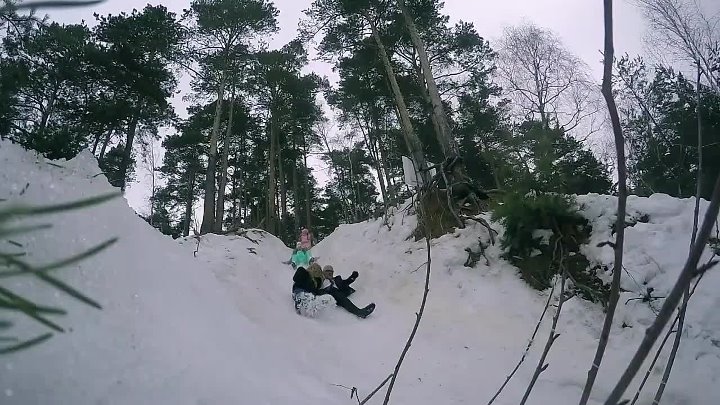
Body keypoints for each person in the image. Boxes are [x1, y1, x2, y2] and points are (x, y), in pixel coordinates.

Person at [292, 263, 375, 318]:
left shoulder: (337, 279)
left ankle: (360, 312)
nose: (330, 273)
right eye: (327, 271)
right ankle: (305, 304)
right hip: (323, 293)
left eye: (331, 272)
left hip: (337, 294)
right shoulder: (319, 280)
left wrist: (352, 278)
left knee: (339, 295)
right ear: (322, 273)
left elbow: (345, 283)